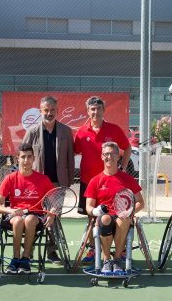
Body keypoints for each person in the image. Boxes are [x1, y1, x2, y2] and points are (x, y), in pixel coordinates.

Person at [74, 95, 132, 263]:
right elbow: (74, 151)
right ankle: (93, 250)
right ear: (87, 111)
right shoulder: (81, 132)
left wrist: (123, 166)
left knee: (116, 216)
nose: (96, 112)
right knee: (91, 216)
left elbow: (127, 148)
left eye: (99, 109)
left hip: (112, 184)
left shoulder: (114, 129)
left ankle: (119, 251)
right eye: (92, 109)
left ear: (104, 110)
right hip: (88, 182)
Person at [22, 95, 74, 264]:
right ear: (40, 111)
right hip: (36, 185)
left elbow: (70, 158)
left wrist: (68, 182)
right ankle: (28, 252)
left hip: (58, 184)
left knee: (53, 218)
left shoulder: (66, 131)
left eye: (52, 110)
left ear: (57, 111)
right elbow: (24, 156)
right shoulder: (32, 132)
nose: (49, 113)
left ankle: (51, 252)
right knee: (34, 217)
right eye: (46, 110)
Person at [0, 143, 55, 274]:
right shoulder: (10, 178)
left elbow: (54, 201)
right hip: (15, 216)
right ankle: (16, 259)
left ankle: (25, 259)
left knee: (30, 219)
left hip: (35, 216)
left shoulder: (43, 179)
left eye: (29, 157)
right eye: (23, 157)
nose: (26, 160)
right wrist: (11, 210)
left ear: (34, 158)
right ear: (17, 159)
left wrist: (51, 214)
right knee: (19, 220)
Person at [85, 142, 144, 272]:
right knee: (105, 219)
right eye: (106, 154)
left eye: (112, 154)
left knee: (123, 219)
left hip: (123, 217)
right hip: (104, 217)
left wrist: (130, 211)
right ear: (102, 156)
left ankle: (117, 259)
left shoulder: (127, 179)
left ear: (118, 157)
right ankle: (106, 260)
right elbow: (88, 207)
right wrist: (96, 210)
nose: (109, 157)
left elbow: (140, 202)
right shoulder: (95, 180)